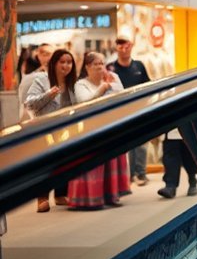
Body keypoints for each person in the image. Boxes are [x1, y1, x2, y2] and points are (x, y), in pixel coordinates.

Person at [70, 52, 131, 209]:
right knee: (94, 164)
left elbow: (122, 95)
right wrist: (103, 89)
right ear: (87, 67)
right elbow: (84, 102)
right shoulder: (80, 84)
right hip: (90, 129)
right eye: (96, 63)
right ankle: (92, 198)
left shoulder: (113, 77)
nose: (99, 66)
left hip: (111, 125)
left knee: (111, 161)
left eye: (102, 63)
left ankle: (112, 195)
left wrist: (109, 85)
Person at [23, 49, 77, 212]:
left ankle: (60, 195)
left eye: (69, 62)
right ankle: (42, 198)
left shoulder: (72, 83)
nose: (66, 66)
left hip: (65, 131)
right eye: (62, 62)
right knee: (45, 164)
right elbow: (29, 104)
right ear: (54, 63)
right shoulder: (41, 79)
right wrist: (49, 94)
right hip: (44, 129)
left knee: (64, 162)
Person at [108, 37, 152, 186]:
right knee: (127, 145)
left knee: (141, 143)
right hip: (120, 113)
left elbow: (148, 86)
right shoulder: (111, 69)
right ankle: (129, 174)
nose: (124, 49)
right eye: (120, 46)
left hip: (139, 111)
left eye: (126, 46)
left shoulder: (139, 66)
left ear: (131, 47)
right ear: (116, 48)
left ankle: (141, 173)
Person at [157, 128, 197, 199]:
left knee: (189, 157)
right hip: (170, 131)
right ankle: (170, 186)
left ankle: (192, 179)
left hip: (187, 130)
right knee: (170, 159)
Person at [18, 43, 54, 122]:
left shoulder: (61, 75)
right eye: (46, 54)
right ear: (39, 56)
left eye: (53, 54)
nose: (50, 57)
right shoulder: (31, 77)